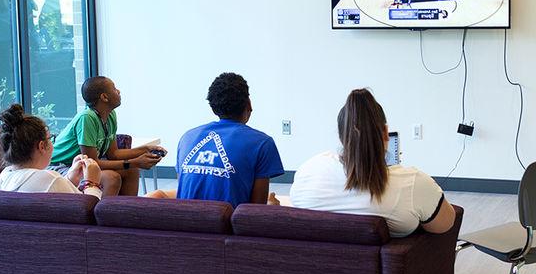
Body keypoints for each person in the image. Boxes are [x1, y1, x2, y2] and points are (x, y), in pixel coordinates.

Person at [290, 88, 456, 237]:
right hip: (386, 271)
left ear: (341, 137)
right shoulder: (413, 184)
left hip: (317, 270)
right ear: (385, 133)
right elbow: (444, 225)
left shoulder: (308, 171)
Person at [174, 72, 284, 208]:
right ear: (248, 104)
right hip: (228, 228)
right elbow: (255, 212)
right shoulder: (262, 143)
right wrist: (271, 205)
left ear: (213, 108)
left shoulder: (187, 138)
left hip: (184, 226)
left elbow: (184, 193)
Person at [49, 76, 164, 196]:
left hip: (82, 164)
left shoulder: (110, 115)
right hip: (61, 166)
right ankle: (100, 214)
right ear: (104, 97)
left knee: (132, 171)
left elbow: (113, 153)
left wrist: (146, 150)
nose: (118, 91)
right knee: (111, 178)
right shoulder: (87, 118)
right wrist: (135, 161)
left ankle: (125, 212)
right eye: (114, 89)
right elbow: (93, 162)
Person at [0, 103, 103, 199]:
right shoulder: (52, 179)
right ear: (41, 146)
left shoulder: (4, 176)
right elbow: (88, 212)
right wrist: (91, 183)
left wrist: (69, 179)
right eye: (50, 138)